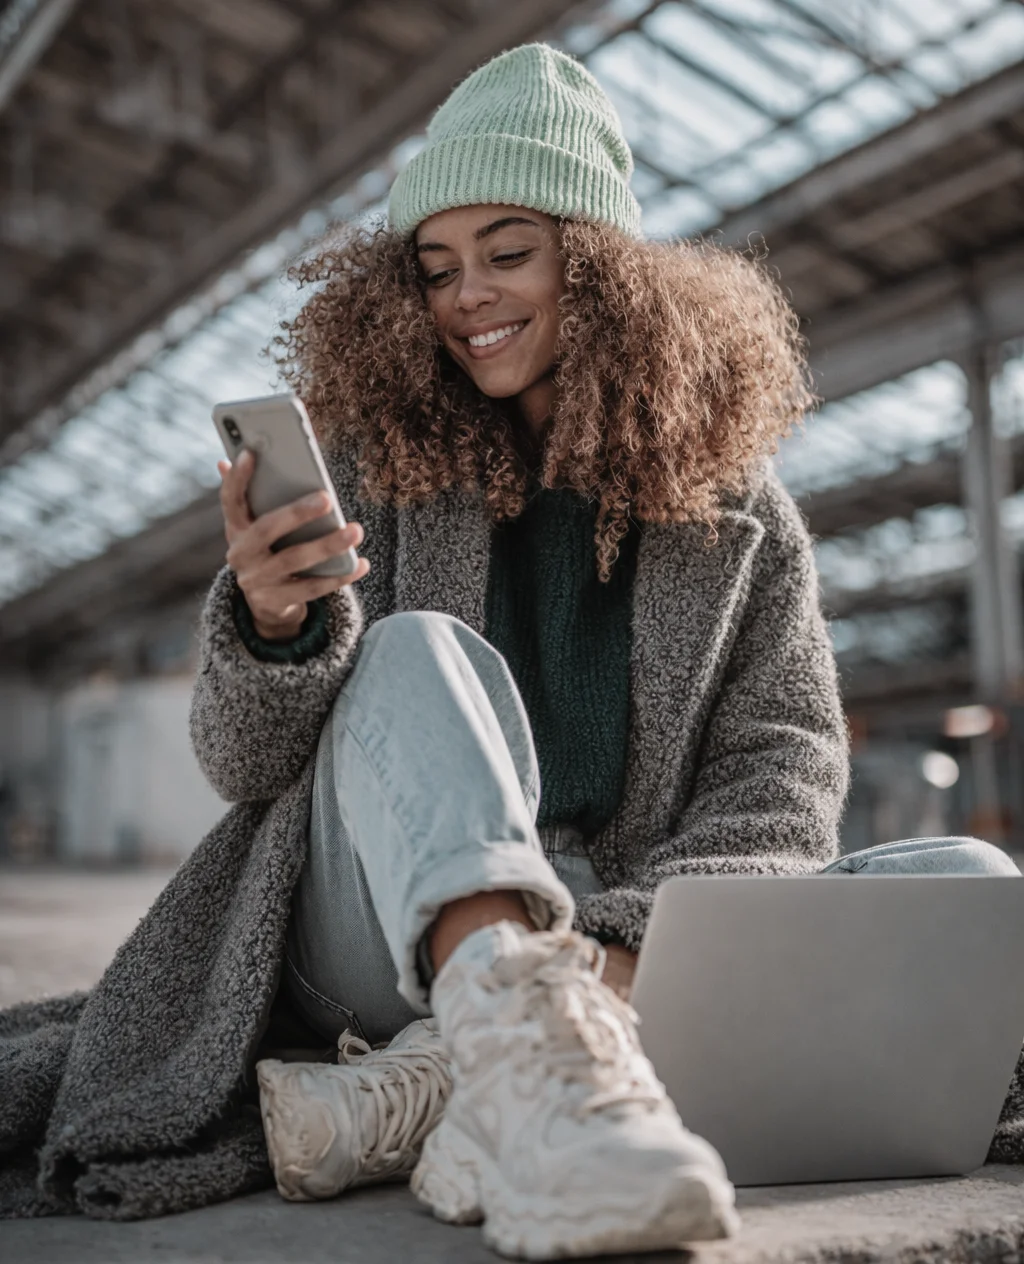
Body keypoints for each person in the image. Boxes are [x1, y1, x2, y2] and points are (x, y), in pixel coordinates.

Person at [2, 40, 1019, 1253]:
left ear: (596, 269)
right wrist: (274, 628)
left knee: (965, 881)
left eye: (508, 253)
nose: (467, 296)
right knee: (415, 647)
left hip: (633, 937)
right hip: (381, 936)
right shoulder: (381, 476)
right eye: (435, 268)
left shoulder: (744, 520)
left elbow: (786, 776)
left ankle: (442, 1086)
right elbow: (248, 764)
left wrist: (619, 941)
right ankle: (513, 1054)